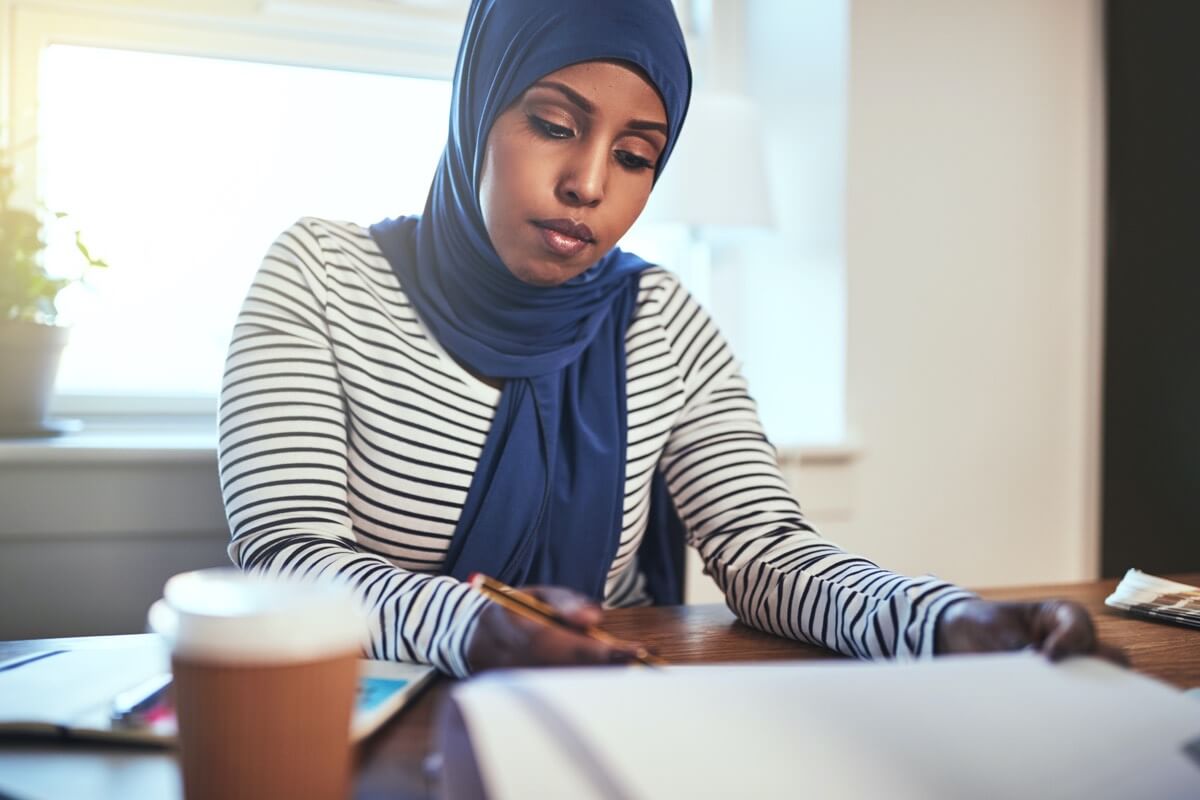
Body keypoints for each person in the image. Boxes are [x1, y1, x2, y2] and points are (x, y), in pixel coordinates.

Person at [218, 0, 1116, 676]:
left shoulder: (662, 319)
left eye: (636, 155)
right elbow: (290, 561)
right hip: (364, 725)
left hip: (602, 712)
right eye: (554, 125)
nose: (588, 182)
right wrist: (472, 626)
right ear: (476, 105)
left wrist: (942, 620)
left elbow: (767, 555)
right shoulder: (321, 277)